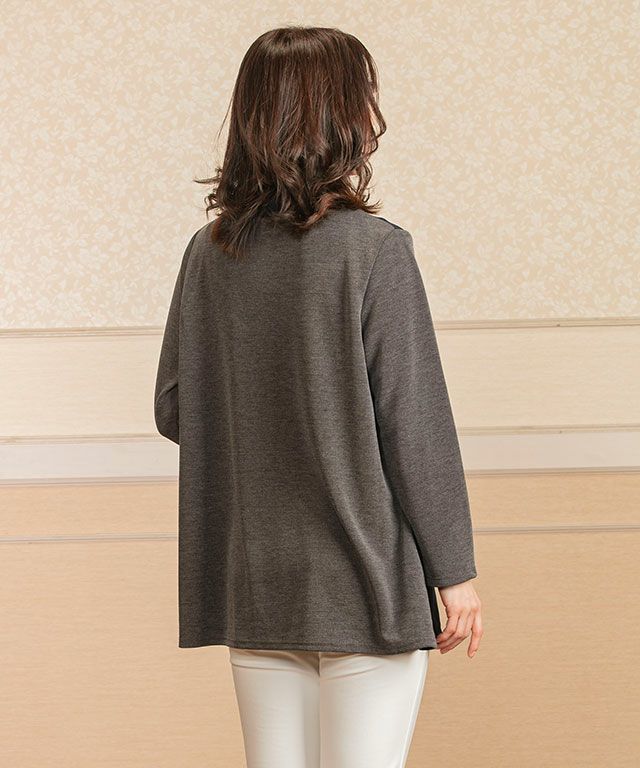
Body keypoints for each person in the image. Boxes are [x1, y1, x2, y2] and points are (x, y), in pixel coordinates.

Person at [154, 24, 482, 768]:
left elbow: (175, 406)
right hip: (365, 583)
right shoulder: (376, 250)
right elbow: (413, 427)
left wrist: (263, 424)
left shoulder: (208, 253)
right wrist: (455, 573)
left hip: (255, 581)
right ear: (342, 118)